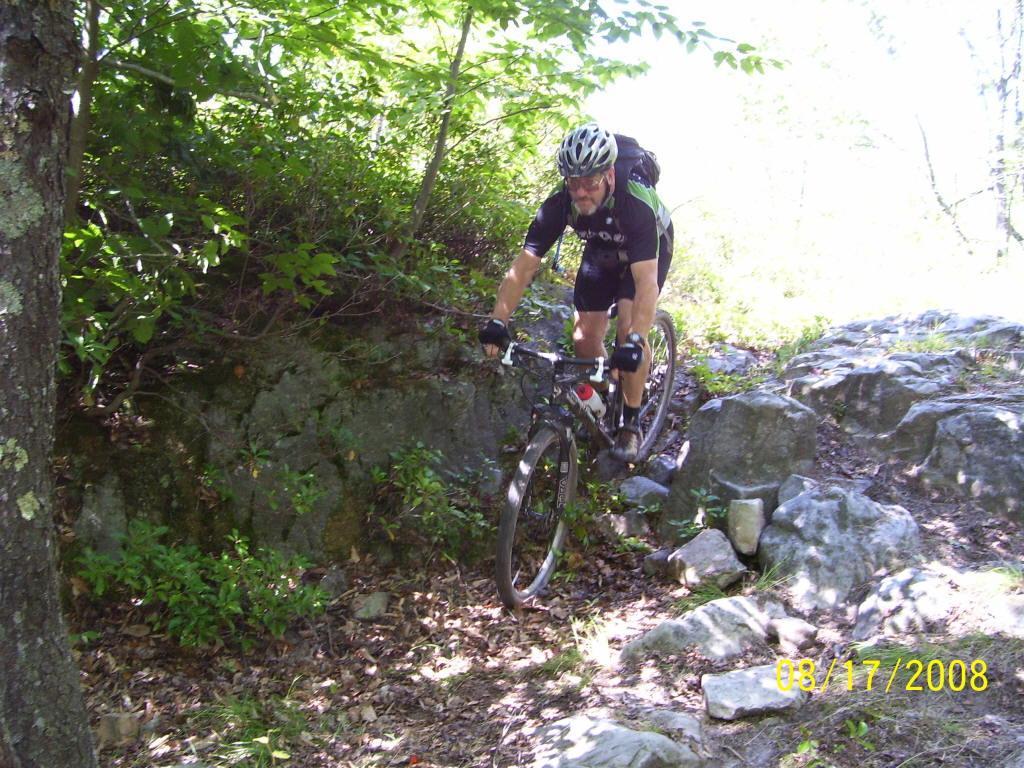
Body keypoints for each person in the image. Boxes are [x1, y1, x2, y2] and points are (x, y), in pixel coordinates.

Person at [479, 122, 674, 462]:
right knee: (584, 341)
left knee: (628, 330)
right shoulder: (559, 203)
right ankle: (597, 402)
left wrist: (635, 342)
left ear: (609, 175)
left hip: (646, 255)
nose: (581, 193)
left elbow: (646, 282)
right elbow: (523, 265)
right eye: (574, 183)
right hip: (601, 250)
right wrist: (498, 320)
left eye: (590, 183)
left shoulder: (634, 204)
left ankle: (631, 422)